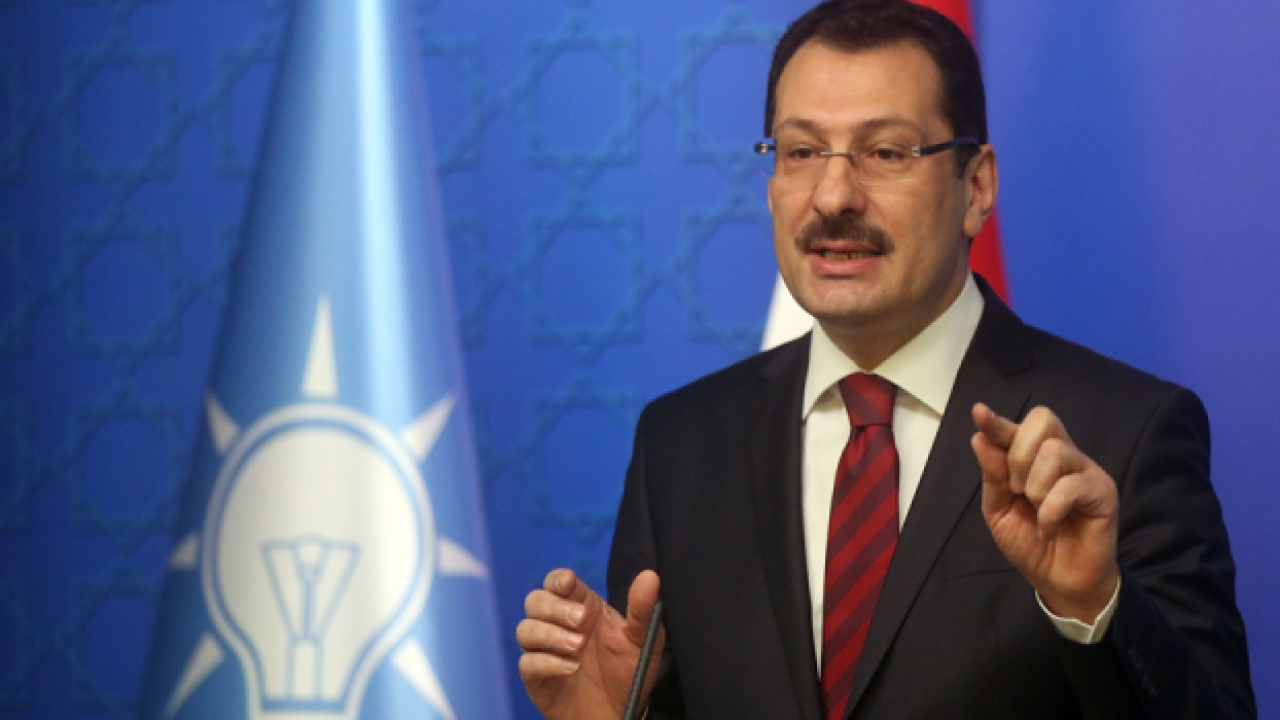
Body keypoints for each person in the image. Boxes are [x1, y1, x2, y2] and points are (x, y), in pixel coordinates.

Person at [515, 1, 1255, 718]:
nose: (833, 196)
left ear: (977, 186)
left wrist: (1093, 607)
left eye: (886, 153)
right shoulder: (680, 444)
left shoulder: (1122, 435)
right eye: (802, 152)